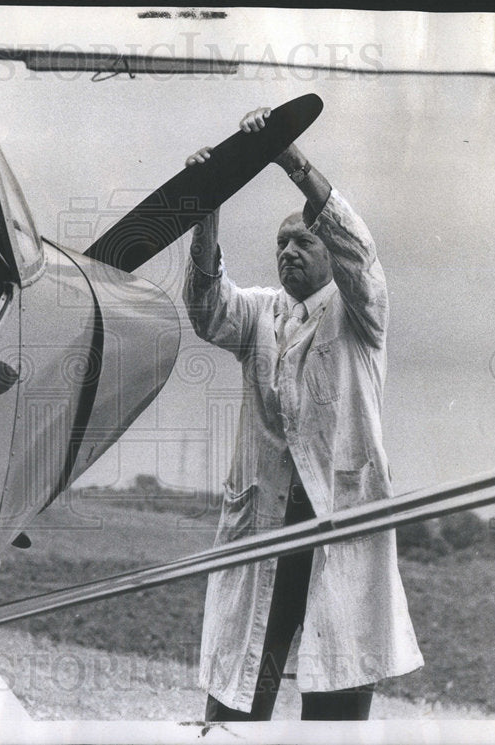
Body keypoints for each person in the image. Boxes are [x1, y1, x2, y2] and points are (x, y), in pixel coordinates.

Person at [183, 107, 423, 721]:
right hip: (264, 529)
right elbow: (207, 309)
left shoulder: (360, 312)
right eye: (281, 244)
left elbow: (359, 250)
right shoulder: (261, 314)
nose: (288, 251)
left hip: (336, 526)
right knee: (237, 698)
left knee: (337, 701)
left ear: (329, 250)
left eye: (304, 240)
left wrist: (288, 157)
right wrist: (205, 207)